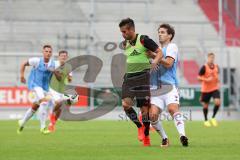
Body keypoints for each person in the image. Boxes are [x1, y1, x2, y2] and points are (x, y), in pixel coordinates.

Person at [119, 18, 163, 146]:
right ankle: (139, 127)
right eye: (121, 32)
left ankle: (147, 137)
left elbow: (159, 52)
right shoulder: (125, 44)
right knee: (126, 105)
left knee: (144, 110)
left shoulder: (144, 39)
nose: (123, 34)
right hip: (128, 78)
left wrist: (154, 61)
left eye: (124, 31)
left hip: (143, 77)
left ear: (132, 29)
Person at [148, 23, 188, 147]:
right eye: (159, 32)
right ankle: (165, 138)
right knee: (152, 115)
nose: (160, 34)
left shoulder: (172, 47)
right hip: (155, 88)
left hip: (170, 86)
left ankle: (182, 135)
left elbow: (169, 63)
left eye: (163, 32)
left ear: (170, 35)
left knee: (172, 109)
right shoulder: (156, 50)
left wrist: (154, 56)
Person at [17, 44, 56, 134]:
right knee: (44, 102)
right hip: (34, 85)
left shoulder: (52, 64)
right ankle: (42, 127)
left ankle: (22, 122)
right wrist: (22, 76)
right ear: (43, 52)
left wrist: (54, 72)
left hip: (44, 87)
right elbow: (23, 64)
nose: (48, 53)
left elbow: (53, 76)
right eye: (46, 51)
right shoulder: (36, 61)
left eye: (50, 52)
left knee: (36, 106)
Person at [48, 50, 73, 132]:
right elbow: (56, 77)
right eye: (62, 55)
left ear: (67, 57)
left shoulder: (69, 67)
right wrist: (55, 71)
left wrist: (69, 78)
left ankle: (52, 124)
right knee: (59, 102)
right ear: (59, 57)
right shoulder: (54, 64)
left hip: (61, 89)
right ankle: (51, 114)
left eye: (65, 56)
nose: (63, 57)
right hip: (53, 88)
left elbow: (70, 80)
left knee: (60, 108)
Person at [198, 52, 220, 127]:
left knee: (217, 102)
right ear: (208, 58)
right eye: (210, 58)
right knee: (205, 105)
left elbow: (217, 76)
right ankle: (206, 120)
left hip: (214, 88)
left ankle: (213, 118)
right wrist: (206, 79)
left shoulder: (216, 66)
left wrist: (218, 83)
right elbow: (198, 77)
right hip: (206, 89)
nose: (212, 59)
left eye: (213, 58)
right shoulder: (204, 67)